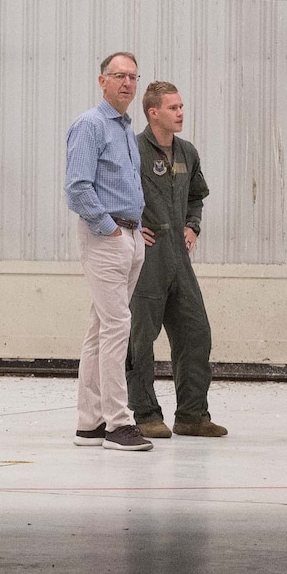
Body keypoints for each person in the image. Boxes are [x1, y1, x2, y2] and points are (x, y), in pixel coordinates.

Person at [125, 81, 226, 439]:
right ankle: (145, 413)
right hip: (147, 260)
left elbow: (197, 196)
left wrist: (193, 226)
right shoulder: (132, 151)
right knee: (140, 339)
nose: (180, 113)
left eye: (181, 106)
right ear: (153, 113)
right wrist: (133, 227)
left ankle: (191, 415)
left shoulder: (187, 152)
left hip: (179, 258)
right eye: (173, 107)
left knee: (196, 333)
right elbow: (112, 191)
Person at [65, 51, 152, 452]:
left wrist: (132, 231)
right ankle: (119, 423)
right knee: (118, 326)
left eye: (133, 77)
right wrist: (110, 230)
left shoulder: (125, 130)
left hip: (130, 237)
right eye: (119, 76)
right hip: (106, 238)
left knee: (101, 328)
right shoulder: (91, 125)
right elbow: (78, 187)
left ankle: (90, 422)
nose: (127, 83)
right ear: (102, 81)